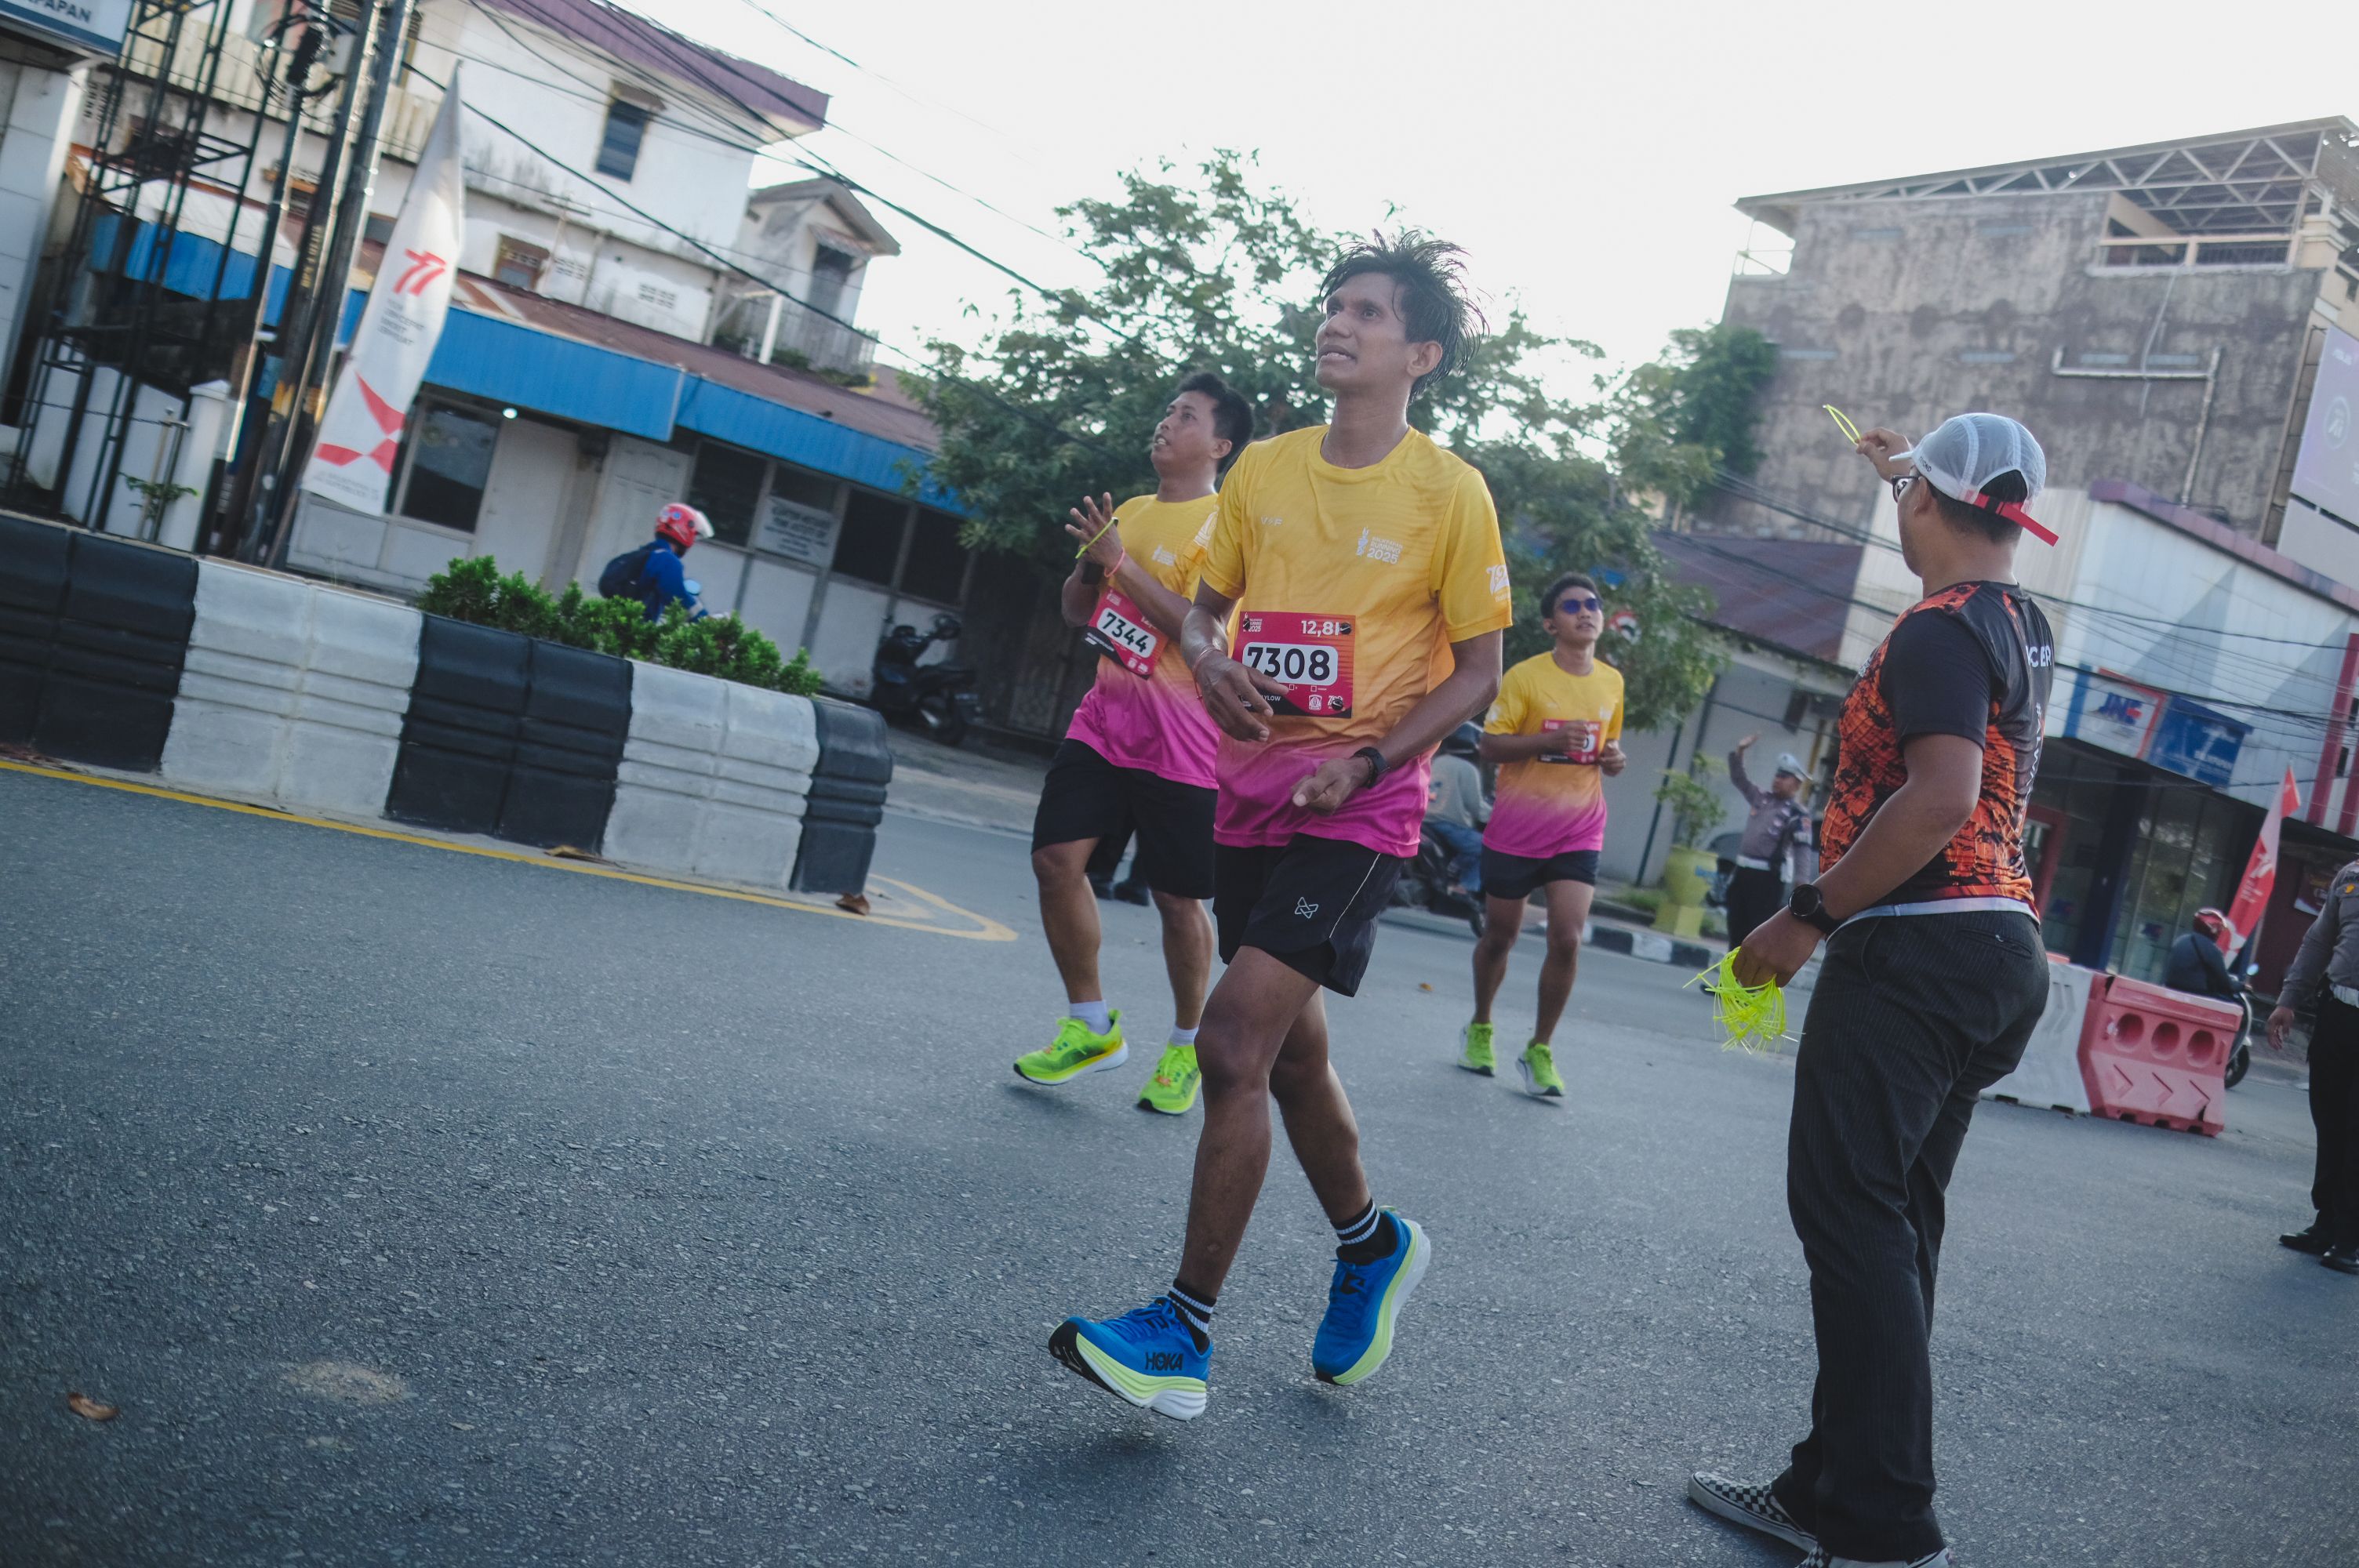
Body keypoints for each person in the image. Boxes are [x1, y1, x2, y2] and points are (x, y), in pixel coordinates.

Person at [1049, 233, 1510, 1420]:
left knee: (1231, 1041)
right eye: (1333, 304)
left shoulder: (1448, 492)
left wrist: (1369, 759)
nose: (1337, 322)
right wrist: (1210, 661)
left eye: (1367, 311)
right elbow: (1206, 618)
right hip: (1248, 789)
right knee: (1292, 1057)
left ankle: (1181, 1331)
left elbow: (1478, 672)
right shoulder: (1266, 471)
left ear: (1420, 354)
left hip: (1362, 806)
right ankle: (1371, 1243)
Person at [1686, 412, 2057, 1568]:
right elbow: (1951, 504)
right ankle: (1830, 1488)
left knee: (1850, 1219)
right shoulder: (2018, 620)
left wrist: (1806, 916)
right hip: (1999, 949)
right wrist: (1905, 469)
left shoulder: (1936, 631)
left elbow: (1939, 796)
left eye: (1910, 491)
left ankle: (1887, 1521)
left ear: (1927, 507)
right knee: (1893, 1229)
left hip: (1914, 948)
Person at [1014, 372, 1256, 1117]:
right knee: (1055, 862)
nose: (1166, 423)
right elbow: (1076, 610)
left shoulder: (1225, 527)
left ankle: (1186, 1046)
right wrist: (1094, 563)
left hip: (1184, 742)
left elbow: (1203, 630)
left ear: (1219, 445)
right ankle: (1091, 1025)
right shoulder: (1132, 513)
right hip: (1103, 723)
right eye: (1167, 411)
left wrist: (1120, 561)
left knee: (1178, 900)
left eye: (1186, 416)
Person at [1457, 572, 1627, 1098]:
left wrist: (1613, 759)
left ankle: (1540, 1048)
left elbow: (1607, 748)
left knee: (1568, 939)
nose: (1586, 611)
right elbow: (1489, 747)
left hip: (1580, 827)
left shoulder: (1612, 682)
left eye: (1592, 604)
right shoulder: (1525, 677)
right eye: (1572, 606)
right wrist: (1547, 741)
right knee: (1500, 937)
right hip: (1517, 827)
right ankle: (1480, 1025)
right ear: (1551, 624)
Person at [2266, 867, 2359, 1275]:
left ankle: (2350, 1239)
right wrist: (2288, 1000)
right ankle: (2326, 1225)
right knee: (2330, 1120)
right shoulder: (2351, 876)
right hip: (2337, 1013)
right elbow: (2319, 941)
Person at [1724, 735, 1816, 949]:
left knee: (1756, 936)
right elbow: (1739, 779)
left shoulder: (1797, 814)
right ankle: (1730, 972)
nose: (1777, 780)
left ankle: (1750, 973)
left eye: (1784, 777)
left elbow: (1802, 854)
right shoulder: (1762, 798)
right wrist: (1740, 752)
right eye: (1777, 775)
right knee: (1735, 929)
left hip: (1766, 880)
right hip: (1743, 873)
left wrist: (1802, 890)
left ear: (1796, 784)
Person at [598, 503, 713, 622]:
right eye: (694, 536)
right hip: (636, 629)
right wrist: (705, 620)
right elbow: (678, 598)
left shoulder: (643, 554)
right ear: (685, 531)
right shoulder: (666, 560)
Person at [1423, 722, 1488, 895]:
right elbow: (1476, 807)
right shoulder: (1468, 769)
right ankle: (1465, 888)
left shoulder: (1437, 761)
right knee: (1487, 849)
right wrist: (1496, 815)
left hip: (1425, 822)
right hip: (1449, 825)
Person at [2165, 908, 2240, 1002]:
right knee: (2233, 1004)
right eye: (2218, 928)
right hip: (2196, 996)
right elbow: (2226, 984)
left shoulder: (2181, 940)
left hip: (2171, 990)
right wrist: (2242, 986)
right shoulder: (2210, 948)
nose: (2219, 932)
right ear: (2212, 929)